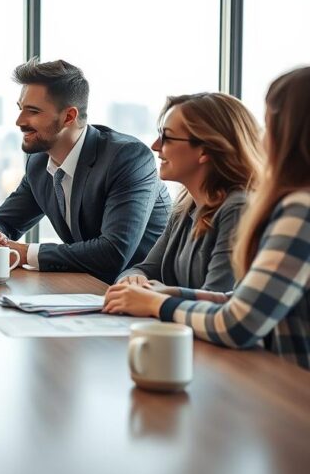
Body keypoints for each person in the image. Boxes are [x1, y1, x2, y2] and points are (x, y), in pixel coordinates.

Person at [104, 68, 310, 369]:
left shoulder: (298, 210)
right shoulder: (188, 203)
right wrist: (160, 293)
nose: (263, 140)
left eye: (270, 124)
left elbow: (239, 323)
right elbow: (238, 300)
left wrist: (155, 302)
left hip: (288, 390)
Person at [0, 58, 172, 283]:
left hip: (145, 294)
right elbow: (2, 222)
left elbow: (113, 252)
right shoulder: (39, 163)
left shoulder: (127, 158)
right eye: (20, 109)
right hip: (86, 291)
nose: (19, 121)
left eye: (33, 111)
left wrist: (24, 252)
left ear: (69, 117)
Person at [116, 93, 263, 293]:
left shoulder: (238, 209)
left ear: (205, 151)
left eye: (167, 137)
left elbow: (218, 299)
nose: (155, 146)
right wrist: (132, 281)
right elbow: (145, 269)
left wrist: (158, 295)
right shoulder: (186, 205)